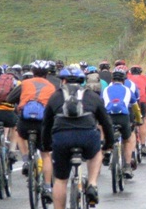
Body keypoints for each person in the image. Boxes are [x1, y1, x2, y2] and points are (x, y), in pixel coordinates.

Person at [42, 66, 115, 208]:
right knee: (96, 154)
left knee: (61, 180)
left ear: (62, 81)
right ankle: (92, 184)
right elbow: (106, 122)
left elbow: (46, 124)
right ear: (82, 81)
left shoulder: (55, 96)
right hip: (87, 136)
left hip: (62, 138)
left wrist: (46, 145)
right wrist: (108, 144)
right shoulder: (92, 96)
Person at [6, 60, 56, 203]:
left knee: (19, 133)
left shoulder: (25, 83)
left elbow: (10, 98)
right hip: (42, 123)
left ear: (32, 72)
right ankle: (47, 187)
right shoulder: (52, 86)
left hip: (26, 122)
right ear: (47, 74)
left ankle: (26, 160)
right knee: (46, 154)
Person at [101, 66, 142, 178]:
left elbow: (101, 105)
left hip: (109, 116)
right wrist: (139, 119)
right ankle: (127, 166)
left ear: (112, 79)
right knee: (128, 140)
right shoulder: (127, 90)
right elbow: (135, 108)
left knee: (105, 132)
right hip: (123, 117)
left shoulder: (106, 90)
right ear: (124, 79)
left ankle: (107, 151)